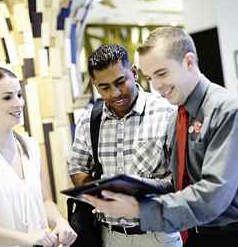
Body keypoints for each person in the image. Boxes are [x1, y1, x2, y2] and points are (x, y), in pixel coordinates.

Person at [83, 27, 238, 247]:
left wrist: (139, 209)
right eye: (150, 77)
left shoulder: (228, 110)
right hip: (193, 234)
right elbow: (180, 185)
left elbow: (213, 195)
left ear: (189, 62)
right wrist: (133, 190)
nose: (157, 86)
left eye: (162, 73)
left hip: (231, 235)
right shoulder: (178, 117)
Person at [67, 45, 182, 247]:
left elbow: (180, 175)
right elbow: (77, 167)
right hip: (109, 237)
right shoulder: (89, 121)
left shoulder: (166, 112)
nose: (115, 93)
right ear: (95, 85)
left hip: (158, 235)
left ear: (134, 72)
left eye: (121, 82)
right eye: (104, 87)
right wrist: (96, 195)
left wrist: (143, 194)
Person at [0, 66, 77, 247]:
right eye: (7, 97)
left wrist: (60, 221)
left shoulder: (31, 147)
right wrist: (26, 239)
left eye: (19, 95)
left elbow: (44, 200)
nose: (18, 103)